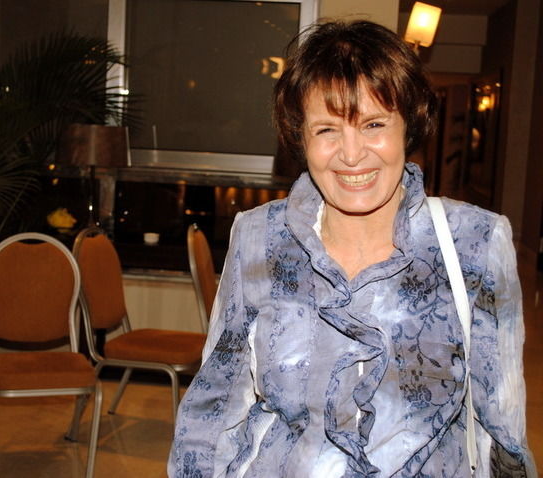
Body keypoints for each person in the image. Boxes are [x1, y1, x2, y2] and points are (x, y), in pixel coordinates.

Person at [168, 20, 537, 477]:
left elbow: (502, 426)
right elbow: (216, 403)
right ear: (301, 137)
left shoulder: (475, 243)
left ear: (409, 126)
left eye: (373, 124)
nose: (351, 154)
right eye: (327, 130)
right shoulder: (258, 236)